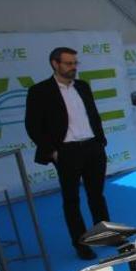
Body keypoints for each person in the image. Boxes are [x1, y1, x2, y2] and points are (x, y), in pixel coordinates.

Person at [24, 47, 110, 260]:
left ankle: (107, 235)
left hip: (92, 148)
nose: (73, 67)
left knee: (97, 196)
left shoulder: (82, 87)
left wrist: (100, 142)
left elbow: (93, 116)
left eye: (75, 63)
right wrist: (52, 152)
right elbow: (33, 126)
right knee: (71, 200)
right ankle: (81, 244)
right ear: (55, 63)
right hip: (66, 151)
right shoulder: (40, 91)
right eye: (69, 63)